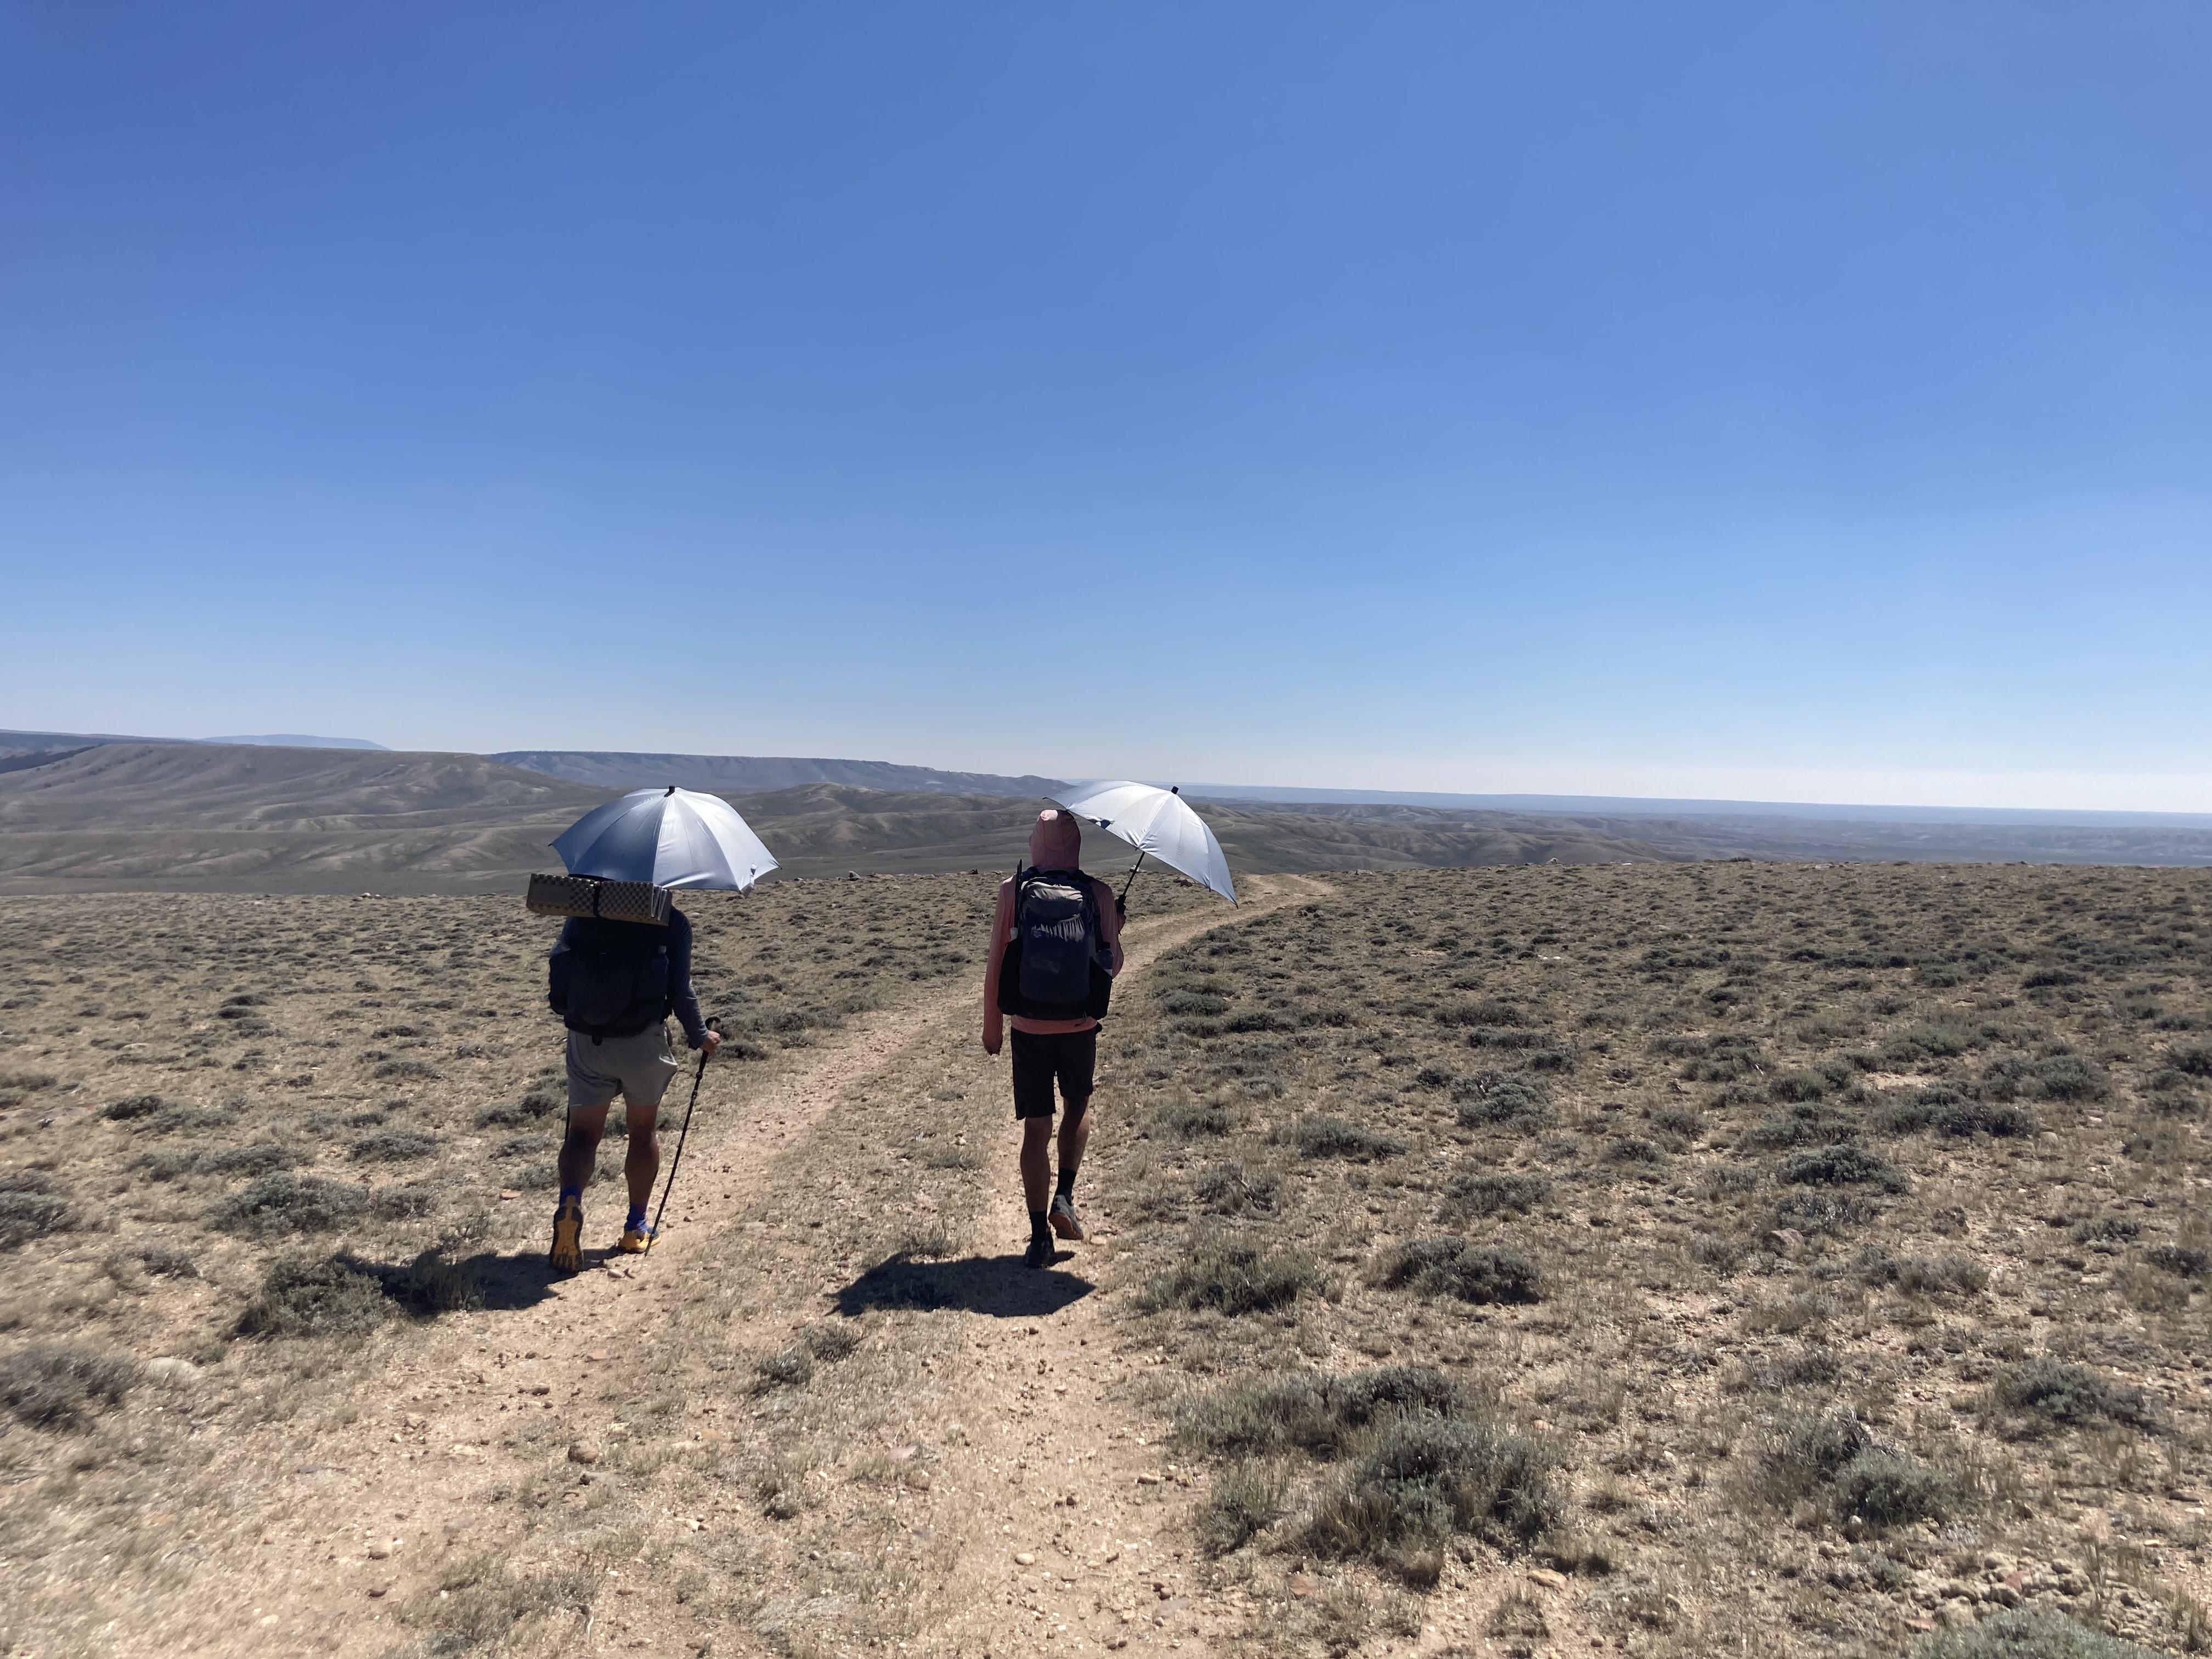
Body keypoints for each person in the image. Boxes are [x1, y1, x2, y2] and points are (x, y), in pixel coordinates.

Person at [981, 809, 1125, 1268]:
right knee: (1078, 1105)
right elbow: (1112, 967)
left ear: (1035, 843)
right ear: (1076, 844)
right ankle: (1065, 1195)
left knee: (1035, 1127)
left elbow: (997, 963)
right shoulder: (1097, 893)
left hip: (1028, 1028)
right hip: (1080, 1026)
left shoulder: (1014, 890)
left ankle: (1038, 1234)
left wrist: (992, 1028)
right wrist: (1114, 928)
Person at [545, 904, 719, 1272]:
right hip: (642, 1042)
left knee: (582, 1134)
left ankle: (570, 1202)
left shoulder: (584, 910)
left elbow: (562, 969)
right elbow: (681, 991)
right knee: (642, 1133)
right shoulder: (672, 921)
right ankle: (636, 1228)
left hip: (586, 1038)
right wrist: (701, 1036)